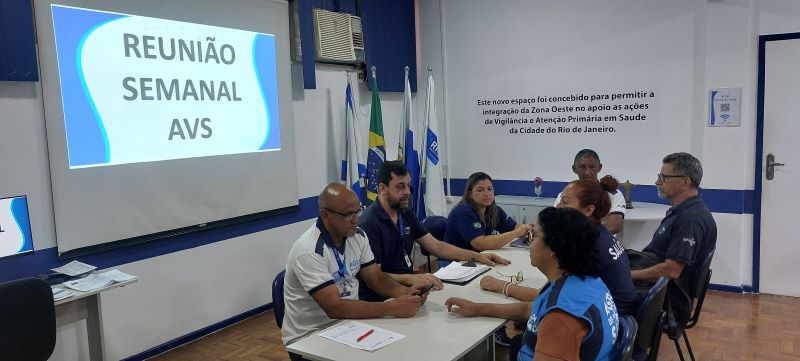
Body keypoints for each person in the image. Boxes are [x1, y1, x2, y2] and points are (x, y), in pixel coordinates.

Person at [445, 207, 619, 361]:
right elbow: (532, 309)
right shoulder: (584, 279)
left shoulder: (562, 316)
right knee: (517, 343)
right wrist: (477, 308)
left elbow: (552, 319)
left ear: (553, 248)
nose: (529, 243)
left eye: (534, 236)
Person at [282, 183, 428, 351]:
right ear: (325, 215)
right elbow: (334, 308)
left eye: (357, 211)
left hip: (349, 325)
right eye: (348, 214)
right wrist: (390, 307)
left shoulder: (357, 235)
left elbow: (376, 278)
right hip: (310, 337)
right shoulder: (309, 250)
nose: (356, 219)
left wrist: (407, 293)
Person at [481, 178, 640, 316]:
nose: (558, 207)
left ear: (588, 210)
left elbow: (547, 300)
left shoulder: (586, 248)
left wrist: (501, 286)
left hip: (608, 321)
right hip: (617, 314)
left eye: (565, 202)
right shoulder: (600, 234)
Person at [358, 161, 511, 301]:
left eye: (408, 185)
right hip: (381, 298)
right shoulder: (369, 223)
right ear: (382, 188)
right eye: (400, 186)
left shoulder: (404, 212)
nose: (407, 192)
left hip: (407, 289)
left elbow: (436, 246)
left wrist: (477, 256)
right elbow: (374, 277)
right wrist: (410, 279)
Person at [630, 152, 717, 325]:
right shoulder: (683, 211)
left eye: (664, 177)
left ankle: (632, 350)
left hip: (668, 301)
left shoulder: (691, 219)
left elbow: (671, 271)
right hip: (660, 290)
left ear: (685, 182)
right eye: (658, 176)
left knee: (601, 293)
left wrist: (628, 275)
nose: (657, 182)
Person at [445, 172, 532, 252]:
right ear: (470, 194)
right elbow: (481, 244)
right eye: (480, 190)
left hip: (482, 256)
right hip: (457, 262)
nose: (487, 194)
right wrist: (517, 232)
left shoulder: (494, 210)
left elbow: (514, 227)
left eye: (490, 189)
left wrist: (528, 228)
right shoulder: (463, 212)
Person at [555, 149, 626, 234]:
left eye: (592, 167)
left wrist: (584, 239)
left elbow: (614, 226)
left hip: (600, 245)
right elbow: (556, 223)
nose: (587, 172)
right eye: (582, 167)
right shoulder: (563, 195)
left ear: (599, 168)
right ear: (574, 169)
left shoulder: (613, 194)